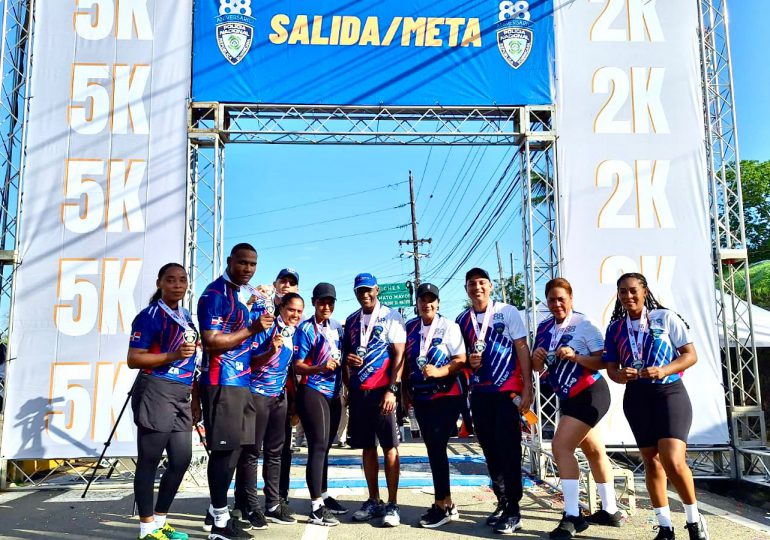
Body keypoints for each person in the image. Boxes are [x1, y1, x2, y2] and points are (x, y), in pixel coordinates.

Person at [603, 273, 709, 540]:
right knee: (651, 462)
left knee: (673, 460)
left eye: (633, 290)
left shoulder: (665, 317)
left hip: (669, 391)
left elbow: (690, 355)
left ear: (645, 291)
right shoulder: (615, 328)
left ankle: (694, 523)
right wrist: (620, 375)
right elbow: (611, 370)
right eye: (622, 292)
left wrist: (663, 370)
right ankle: (664, 526)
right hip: (637, 397)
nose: (628, 296)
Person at [532, 278, 623, 539]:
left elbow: (604, 362)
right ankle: (610, 510)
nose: (556, 303)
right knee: (594, 450)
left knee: (561, 447)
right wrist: (537, 361)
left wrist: (576, 356)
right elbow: (540, 369)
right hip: (567, 395)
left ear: (571, 298)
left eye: (561, 298)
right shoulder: (544, 327)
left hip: (590, 392)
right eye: (551, 299)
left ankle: (573, 515)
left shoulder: (584, 324)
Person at [198, 243, 273, 540]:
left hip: (242, 382)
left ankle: (220, 514)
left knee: (238, 451)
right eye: (242, 263)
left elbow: (242, 345)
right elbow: (212, 342)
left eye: (253, 264)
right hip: (222, 381)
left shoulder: (237, 297)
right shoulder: (214, 294)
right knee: (223, 452)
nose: (248, 269)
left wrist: (268, 345)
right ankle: (217, 521)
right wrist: (253, 329)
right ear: (230, 261)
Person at [456, 267, 533, 534]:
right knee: (489, 450)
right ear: (466, 289)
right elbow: (460, 356)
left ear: (490, 286)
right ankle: (502, 500)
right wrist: (469, 359)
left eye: (481, 283)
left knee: (509, 450)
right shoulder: (462, 319)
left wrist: (529, 388)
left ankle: (515, 508)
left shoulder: (507, 311)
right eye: (471, 284)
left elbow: (522, 347)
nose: (476, 287)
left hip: (506, 391)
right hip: (480, 393)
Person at [127, 263, 198, 540]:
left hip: (182, 391)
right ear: (160, 283)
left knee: (181, 459)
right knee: (150, 460)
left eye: (182, 280)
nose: (177, 285)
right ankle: (146, 529)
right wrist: (172, 355)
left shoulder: (186, 316)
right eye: (171, 280)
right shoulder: (150, 315)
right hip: (156, 389)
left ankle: (160, 521)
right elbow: (134, 359)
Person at [232, 268, 300, 529]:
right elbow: (250, 359)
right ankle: (250, 505)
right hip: (256, 395)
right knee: (250, 452)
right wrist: (270, 350)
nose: (294, 314)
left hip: (279, 398)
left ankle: (273, 503)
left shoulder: (293, 330)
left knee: (275, 453)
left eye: (297, 311)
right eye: (290, 310)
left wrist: (293, 403)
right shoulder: (264, 320)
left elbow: (291, 369)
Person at [342, 273, 406, 526]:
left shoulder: (391, 316)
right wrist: (349, 374)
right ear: (355, 292)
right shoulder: (351, 320)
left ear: (377, 290)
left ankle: (392, 504)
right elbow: (346, 354)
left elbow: (400, 356)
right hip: (360, 393)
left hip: (383, 392)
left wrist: (393, 390)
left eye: (369, 290)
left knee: (390, 447)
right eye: (360, 291)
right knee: (367, 448)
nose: (365, 295)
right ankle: (374, 500)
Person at [402, 283, 467, 529]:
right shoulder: (410, 327)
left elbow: (460, 359)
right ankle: (446, 502)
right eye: (422, 299)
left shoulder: (449, 326)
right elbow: (406, 361)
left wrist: (439, 371)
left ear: (438, 303)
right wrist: (404, 392)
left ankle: (443, 504)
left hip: (446, 395)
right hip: (421, 396)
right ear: (416, 303)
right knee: (432, 448)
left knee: (438, 447)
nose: (426, 304)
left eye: (431, 299)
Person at [293, 282, 348, 525]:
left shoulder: (337, 328)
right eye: (321, 302)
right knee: (317, 446)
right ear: (314, 302)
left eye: (330, 302)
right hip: (312, 389)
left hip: (334, 393)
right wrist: (319, 367)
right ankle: (315, 506)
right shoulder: (306, 329)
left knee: (326, 446)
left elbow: (343, 359)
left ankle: (324, 495)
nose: (326, 306)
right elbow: (297, 365)